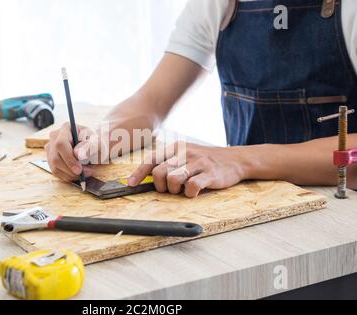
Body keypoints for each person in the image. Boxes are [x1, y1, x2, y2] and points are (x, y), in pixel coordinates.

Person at [46, 0, 357, 198]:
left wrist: (240, 160)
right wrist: (98, 140)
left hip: (339, 219)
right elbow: (150, 103)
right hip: (253, 205)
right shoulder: (220, 4)